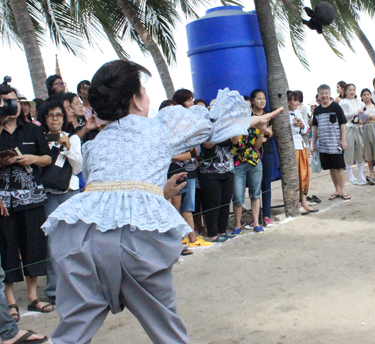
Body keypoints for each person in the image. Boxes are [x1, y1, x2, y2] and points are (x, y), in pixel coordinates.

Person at [40, 59, 282, 343]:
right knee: (167, 332)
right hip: (137, 240)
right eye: (144, 91)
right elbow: (213, 125)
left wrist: (161, 192)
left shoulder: (94, 146)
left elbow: (112, 192)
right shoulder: (159, 128)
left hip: (83, 237)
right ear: (135, 99)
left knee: (71, 334)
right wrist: (256, 119)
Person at [0, 87, 54, 321]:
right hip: (3, 200)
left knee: (33, 246)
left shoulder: (32, 129)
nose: (10, 106)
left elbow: (47, 158)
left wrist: (32, 159)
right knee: (7, 247)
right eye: (4, 102)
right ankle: (10, 301)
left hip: (32, 197)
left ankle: (33, 296)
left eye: (13, 101)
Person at [37, 99, 83, 303]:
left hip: (69, 191)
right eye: (50, 115)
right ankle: (54, 290)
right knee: (52, 242)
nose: (55, 119)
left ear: (64, 118)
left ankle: (78, 286)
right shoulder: (38, 138)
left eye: (58, 115)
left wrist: (67, 146)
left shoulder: (73, 138)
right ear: (44, 118)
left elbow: (78, 167)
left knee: (74, 239)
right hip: (47, 193)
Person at [172, 89, 204, 240]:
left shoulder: (193, 121)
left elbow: (193, 150)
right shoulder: (176, 124)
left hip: (191, 169)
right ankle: (181, 238)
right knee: (177, 207)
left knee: (189, 206)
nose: (192, 103)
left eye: (192, 99)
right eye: (188, 100)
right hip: (176, 171)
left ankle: (192, 238)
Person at [197, 130, 239, 243]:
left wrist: (235, 128)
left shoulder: (227, 126)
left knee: (225, 202)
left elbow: (235, 142)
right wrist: (219, 130)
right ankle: (212, 234)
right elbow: (208, 145)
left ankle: (222, 231)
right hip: (209, 171)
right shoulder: (208, 128)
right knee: (214, 203)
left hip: (227, 169)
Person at [231, 116, 270, 235]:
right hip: (238, 162)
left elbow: (257, 146)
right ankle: (237, 224)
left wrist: (262, 132)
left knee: (255, 193)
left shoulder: (255, 124)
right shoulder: (234, 124)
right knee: (237, 195)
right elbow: (235, 142)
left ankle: (256, 223)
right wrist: (240, 126)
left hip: (254, 161)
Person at [311, 84, 349, 201]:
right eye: (322, 94)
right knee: (331, 168)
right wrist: (314, 144)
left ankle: (343, 191)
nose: (324, 96)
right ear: (318, 95)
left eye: (326, 93)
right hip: (323, 145)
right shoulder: (317, 110)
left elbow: (343, 124)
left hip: (335, 144)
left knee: (339, 168)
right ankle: (337, 190)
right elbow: (315, 128)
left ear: (330, 94)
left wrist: (343, 139)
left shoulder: (336, 107)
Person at [288, 91, 317, 214]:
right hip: (292, 146)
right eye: (294, 100)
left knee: (304, 174)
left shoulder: (298, 112)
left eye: (298, 100)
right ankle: (298, 203)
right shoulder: (285, 115)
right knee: (297, 174)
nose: (297, 103)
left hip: (301, 145)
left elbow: (305, 130)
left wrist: (301, 125)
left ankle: (304, 201)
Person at [249, 89, 274, 228]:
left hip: (267, 153)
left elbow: (271, 132)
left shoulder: (268, 115)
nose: (262, 101)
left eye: (264, 98)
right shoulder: (249, 116)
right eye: (259, 98)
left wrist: (264, 133)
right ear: (253, 100)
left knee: (266, 185)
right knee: (254, 187)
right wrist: (263, 132)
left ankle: (266, 215)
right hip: (251, 154)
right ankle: (256, 217)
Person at [339, 84, 366, 185]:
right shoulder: (343, 102)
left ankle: (361, 174)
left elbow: (363, 114)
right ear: (345, 91)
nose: (352, 92)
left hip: (359, 128)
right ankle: (350, 175)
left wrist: (362, 118)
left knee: (360, 150)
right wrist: (356, 112)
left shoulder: (359, 102)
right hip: (349, 127)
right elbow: (344, 115)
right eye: (350, 90)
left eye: (353, 90)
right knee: (349, 150)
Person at [360, 88, 375, 184]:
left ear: (371, 96)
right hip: (365, 129)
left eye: (368, 94)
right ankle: (371, 172)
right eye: (364, 95)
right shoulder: (361, 108)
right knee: (368, 150)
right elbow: (358, 120)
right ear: (362, 97)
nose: (366, 96)